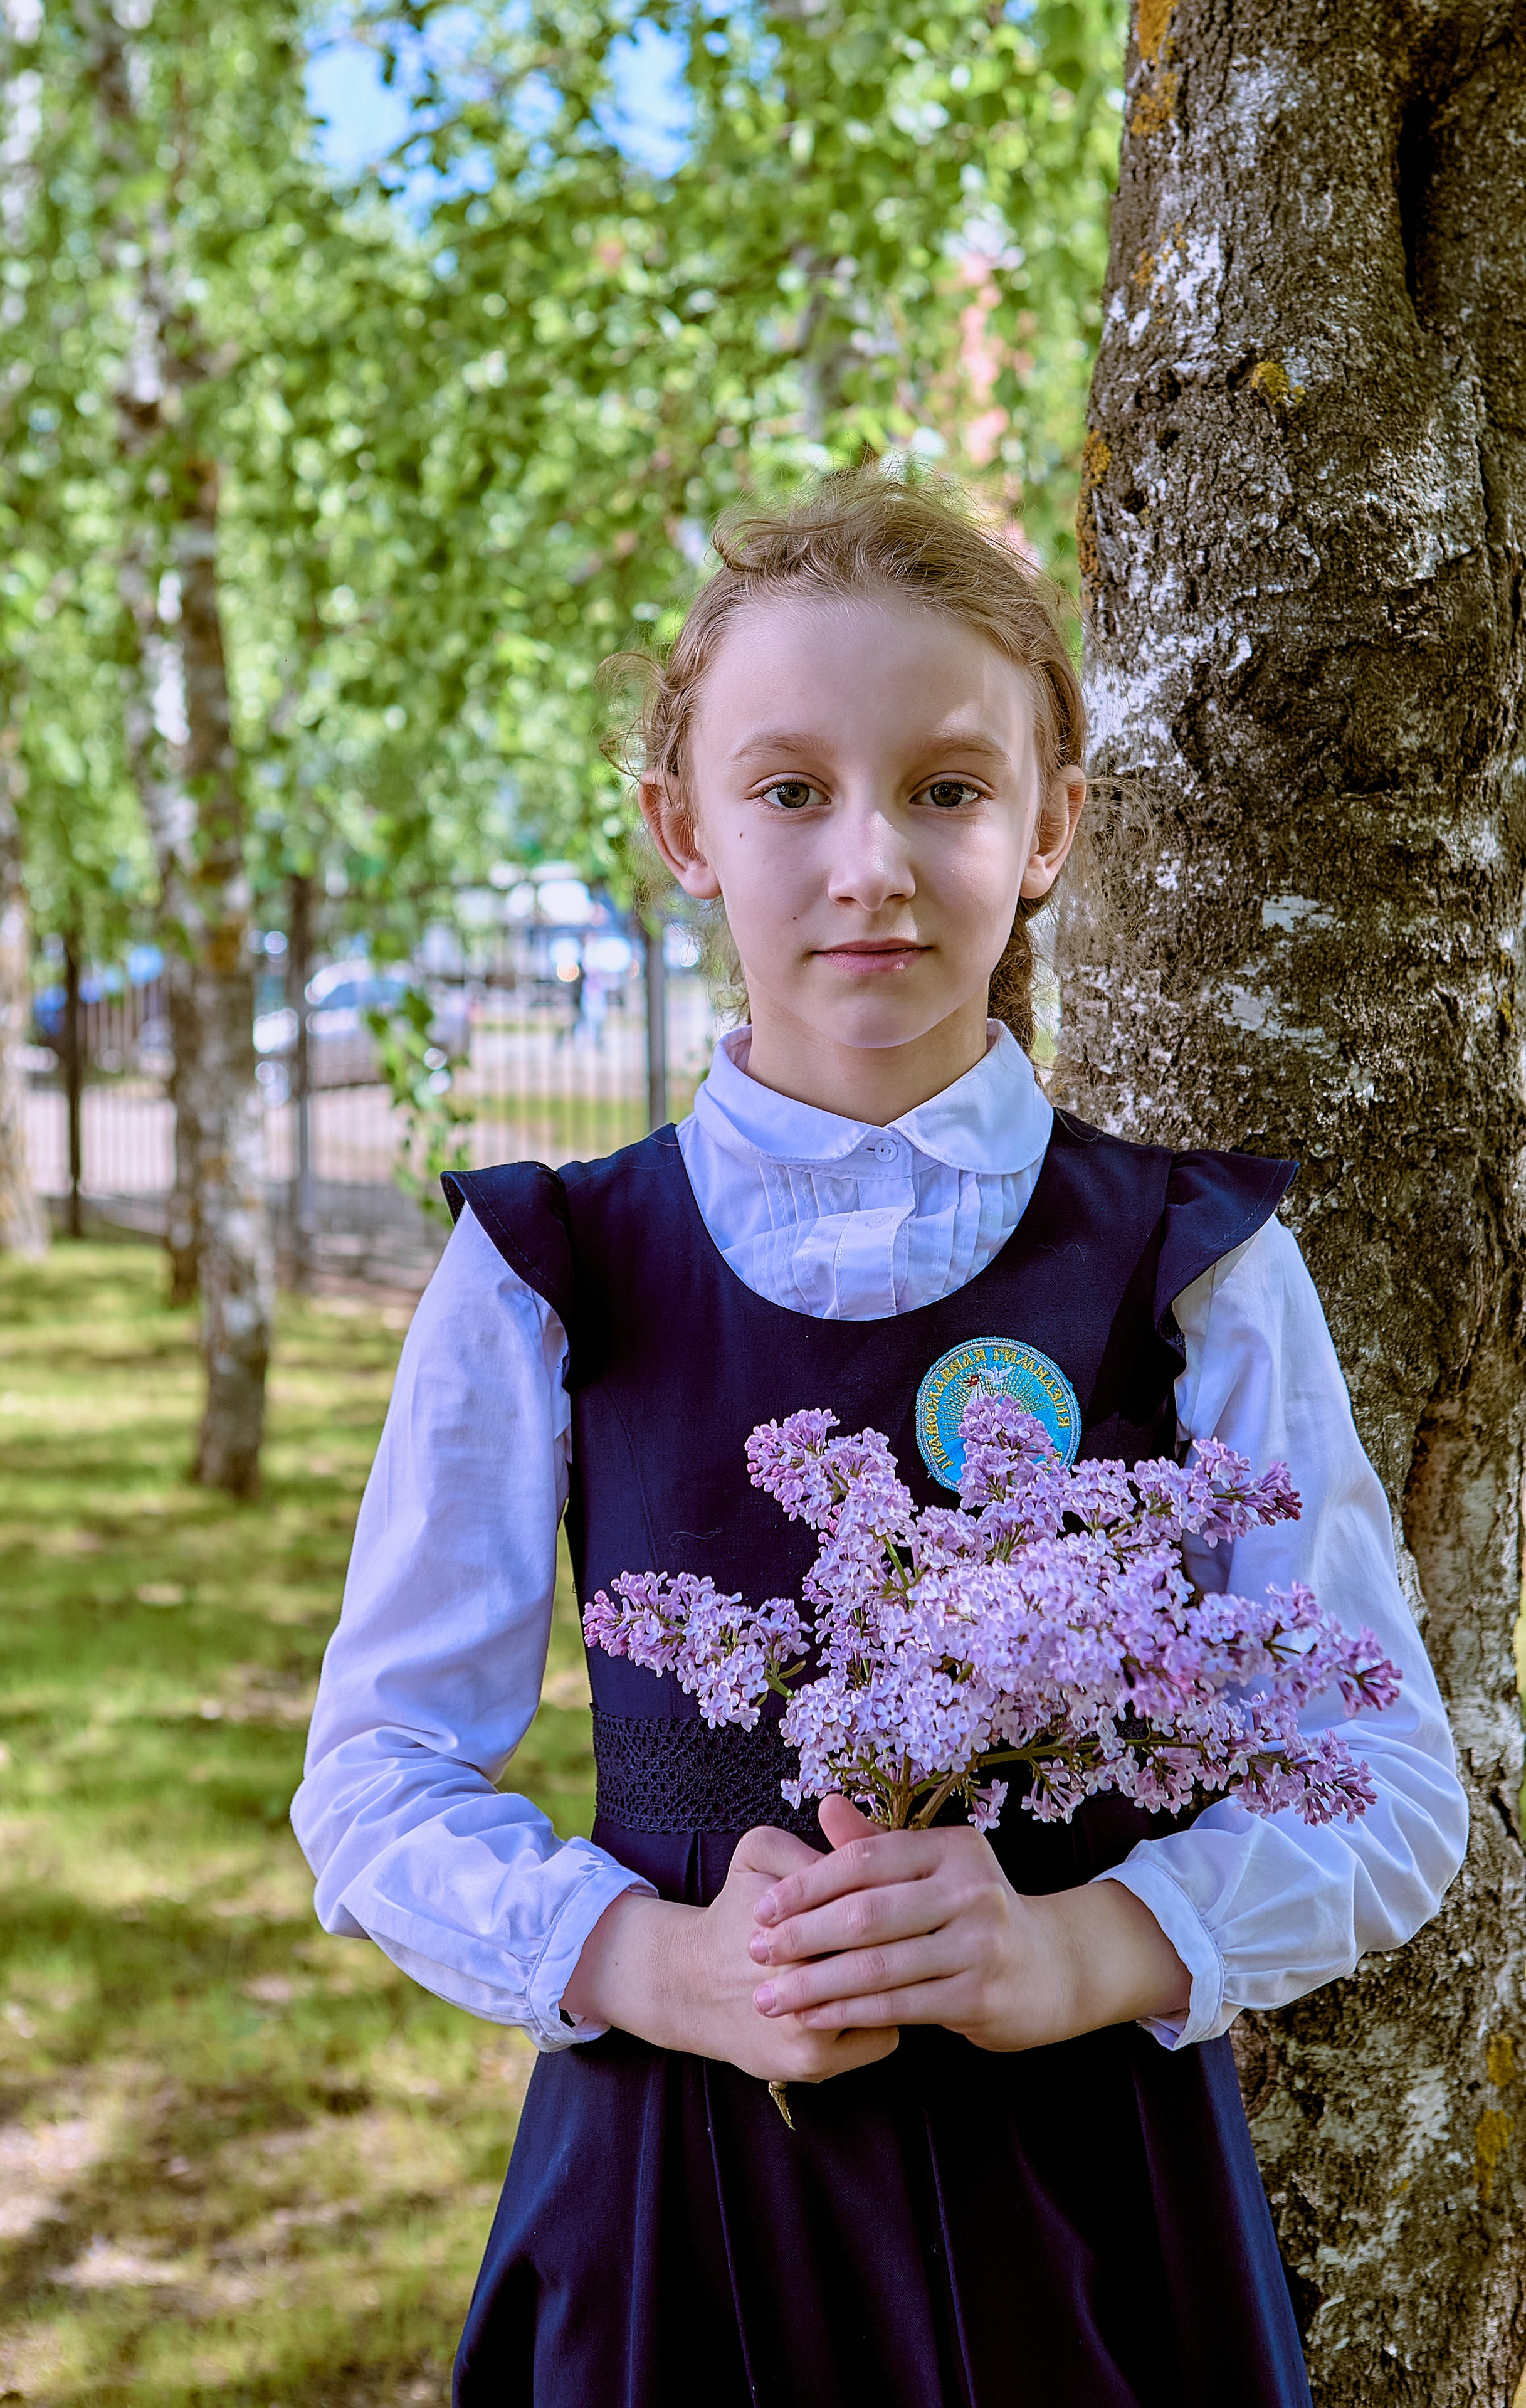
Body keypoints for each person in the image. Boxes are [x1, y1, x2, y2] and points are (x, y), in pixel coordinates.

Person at [292, 472, 1467, 2408]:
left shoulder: (1192, 1268)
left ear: (1050, 827)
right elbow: (376, 1775)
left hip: (1090, 2213)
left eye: (945, 789)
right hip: (680, 2203)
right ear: (683, 828)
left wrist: (1087, 1950)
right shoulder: (548, 1275)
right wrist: (650, 1966)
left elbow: (1390, 1782)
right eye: (790, 791)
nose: (872, 866)